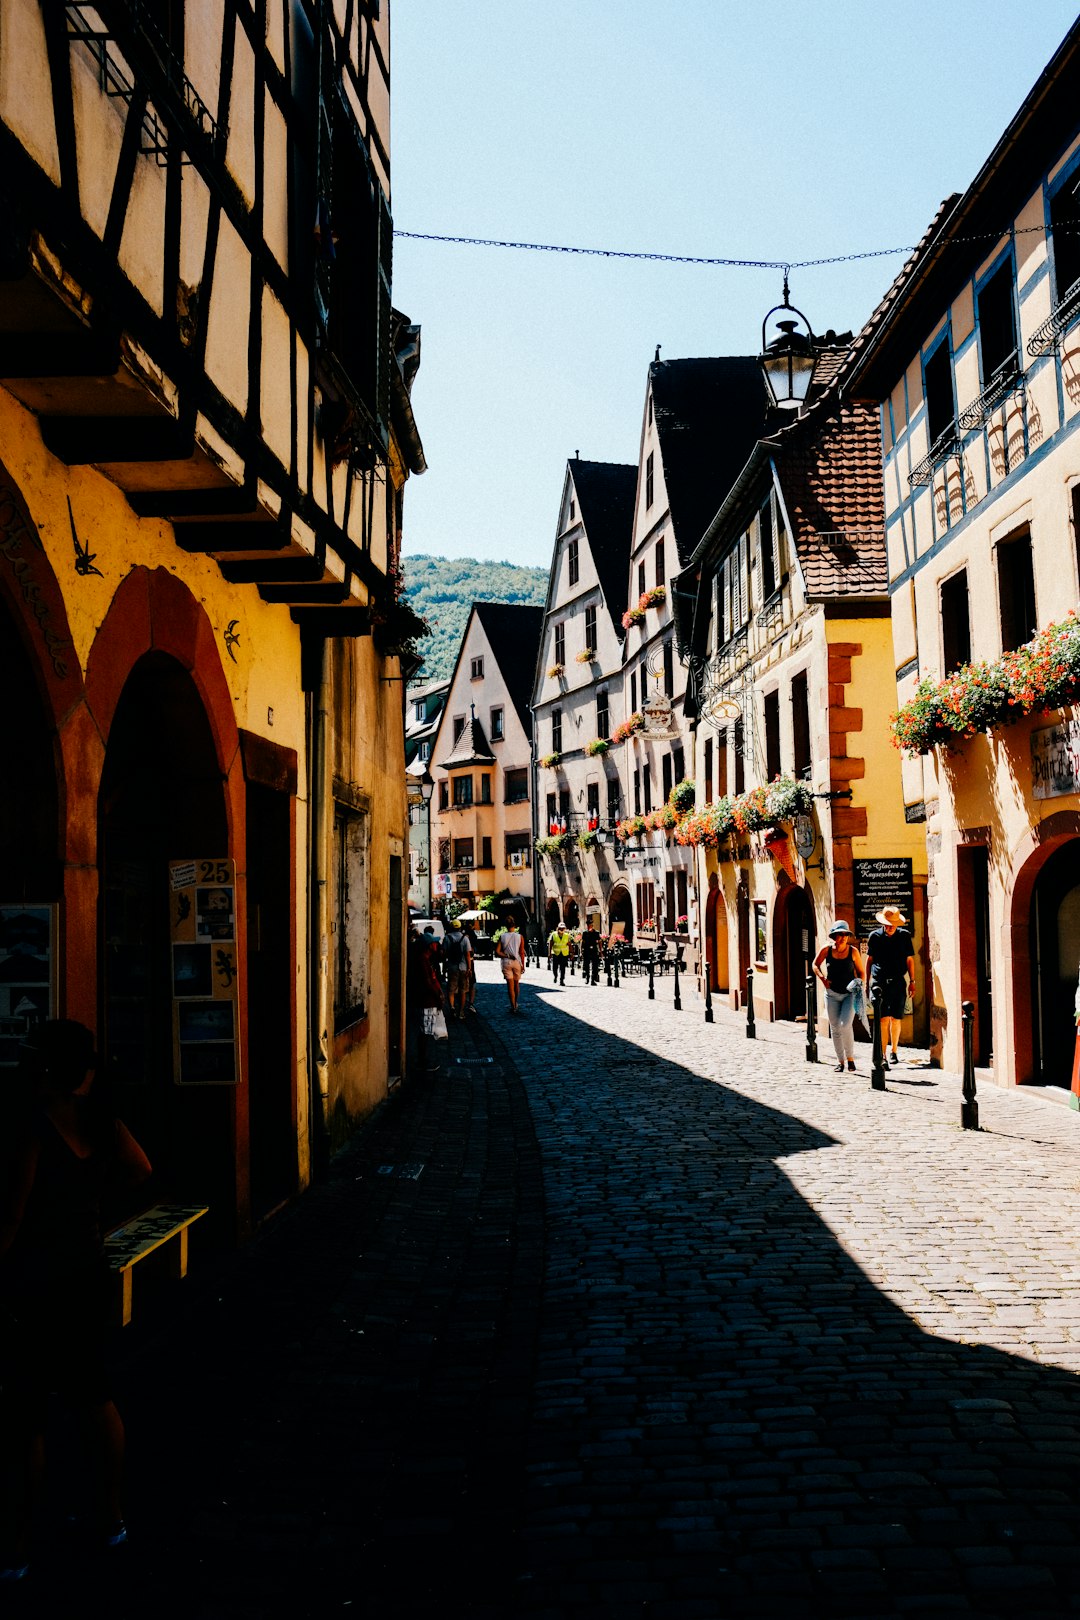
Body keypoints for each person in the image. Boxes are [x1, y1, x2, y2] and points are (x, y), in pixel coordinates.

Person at [1, 1021, 152, 1582]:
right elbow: (141, 1169)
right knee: (93, 1397)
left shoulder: (34, 1128)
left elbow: (12, 1217)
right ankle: (111, 1517)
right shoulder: (99, 1119)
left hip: (34, 1284)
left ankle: (15, 1545)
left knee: (24, 1417)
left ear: (43, 1067)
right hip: (85, 1274)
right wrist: (90, 1203)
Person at [865, 905, 915, 1066]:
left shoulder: (904, 936)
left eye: (893, 923)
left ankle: (894, 1051)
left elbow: (909, 960)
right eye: (887, 923)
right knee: (883, 1019)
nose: (890, 926)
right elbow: (870, 960)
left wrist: (912, 981)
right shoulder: (875, 936)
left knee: (896, 1018)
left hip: (898, 981)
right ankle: (883, 1055)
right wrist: (867, 982)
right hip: (879, 982)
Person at [813, 921, 866, 1073]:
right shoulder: (827, 950)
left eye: (845, 935)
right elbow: (815, 964)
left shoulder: (853, 951)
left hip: (850, 995)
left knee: (845, 1024)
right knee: (835, 1027)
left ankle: (850, 1059)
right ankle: (840, 1061)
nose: (843, 937)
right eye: (840, 934)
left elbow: (861, 972)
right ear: (834, 936)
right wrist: (823, 979)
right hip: (832, 994)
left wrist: (860, 985)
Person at [407, 925, 444, 1076]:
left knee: (426, 1031)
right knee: (425, 1033)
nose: (436, 945)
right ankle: (423, 1062)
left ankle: (423, 1060)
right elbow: (428, 982)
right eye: (434, 943)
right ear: (429, 946)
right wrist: (438, 995)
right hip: (426, 1001)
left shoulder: (425, 959)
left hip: (427, 1000)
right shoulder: (422, 960)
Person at [442, 918, 472, 1022]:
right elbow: (468, 954)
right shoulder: (465, 938)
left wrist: (444, 968)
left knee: (451, 990)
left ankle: (452, 1008)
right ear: (460, 927)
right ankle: (461, 1012)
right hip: (463, 967)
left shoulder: (447, 938)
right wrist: (469, 968)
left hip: (452, 967)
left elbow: (444, 954)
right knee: (463, 990)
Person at [498, 914, 526, 1014]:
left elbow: (497, 952)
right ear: (514, 926)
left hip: (506, 962)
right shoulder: (520, 937)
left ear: (506, 926)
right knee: (516, 984)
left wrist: (506, 955)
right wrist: (523, 964)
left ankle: (513, 1005)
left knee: (510, 986)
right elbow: (521, 952)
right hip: (517, 962)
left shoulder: (502, 936)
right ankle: (516, 1002)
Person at [462, 921, 479, 1016]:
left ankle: (461, 1005)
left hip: (459, 962)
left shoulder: (461, 935)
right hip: (470, 961)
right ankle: (471, 1004)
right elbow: (473, 949)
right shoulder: (472, 934)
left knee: (462, 984)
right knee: (472, 983)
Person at [548, 922, 571, 986]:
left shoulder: (567, 935)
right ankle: (555, 976)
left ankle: (562, 980)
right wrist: (549, 953)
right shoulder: (553, 934)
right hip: (555, 953)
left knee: (562, 968)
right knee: (555, 967)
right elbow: (550, 944)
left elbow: (569, 944)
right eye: (560, 928)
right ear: (558, 928)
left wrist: (571, 953)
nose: (562, 930)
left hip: (564, 954)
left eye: (563, 928)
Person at [580, 918, 601, 986]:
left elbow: (599, 941)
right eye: (589, 925)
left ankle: (593, 980)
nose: (590, 926)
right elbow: (582, 942)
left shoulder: (596, 933)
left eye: (591, 925)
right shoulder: (585, 933)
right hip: (586, 950)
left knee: (595, 966)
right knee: (586, 965)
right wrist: (581, 951)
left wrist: (600, 950)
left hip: (594, 950)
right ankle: (587, 977)